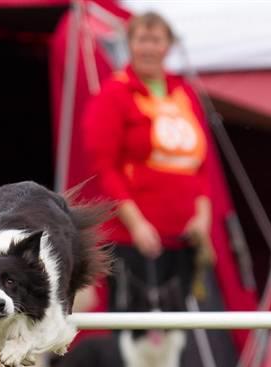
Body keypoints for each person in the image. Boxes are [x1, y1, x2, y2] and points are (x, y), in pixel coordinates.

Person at [82, 11, 214, 304]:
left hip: (183, 237)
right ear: (129, 44)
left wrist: (203, 217)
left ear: (168, 46)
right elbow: (105, 168)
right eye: (142, 39)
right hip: (135, 239)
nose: (149, 48)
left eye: (157, 40)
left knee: (178, 328)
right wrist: (137, 224)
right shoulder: (113, 95)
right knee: (135, 330)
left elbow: (200, 165)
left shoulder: (184, 93)